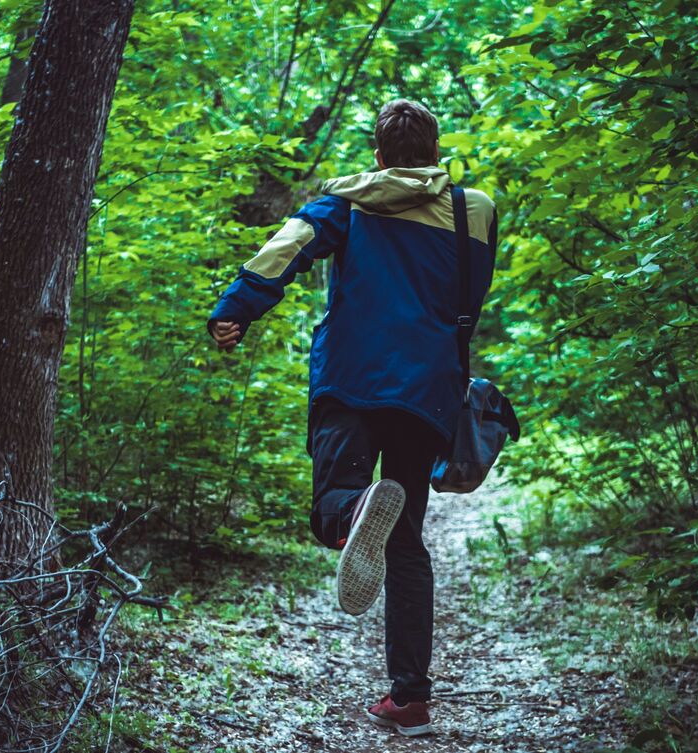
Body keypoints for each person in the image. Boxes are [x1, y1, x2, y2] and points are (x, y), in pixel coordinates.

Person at [207, 98, 497, 737]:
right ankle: (411, 699)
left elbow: (286, 248)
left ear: (379, 154)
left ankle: (353, 510)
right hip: (427, 389)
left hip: (352, 377)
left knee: (332, 502)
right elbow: (469, 298)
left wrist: (236, 309)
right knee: (409, 543)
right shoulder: (471, 209)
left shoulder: (348, 202)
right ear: (433, 148)